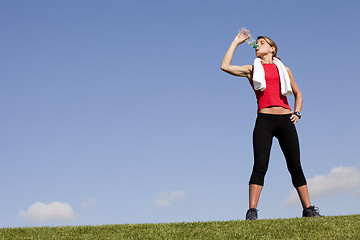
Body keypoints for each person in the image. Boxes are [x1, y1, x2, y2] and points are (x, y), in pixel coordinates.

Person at [220, 29, 321, 220]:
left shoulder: (285, 70)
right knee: (260, 166)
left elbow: (298, 94)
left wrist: (297, 113)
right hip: (264, 120)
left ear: (272, 49)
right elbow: (225, 66)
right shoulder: (252, 69)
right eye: (256, 43)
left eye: (262, 42)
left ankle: (308, 210)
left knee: (295, 166)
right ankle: (252, 211)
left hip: (285, 120)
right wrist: (236, 42)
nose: (258, 45)